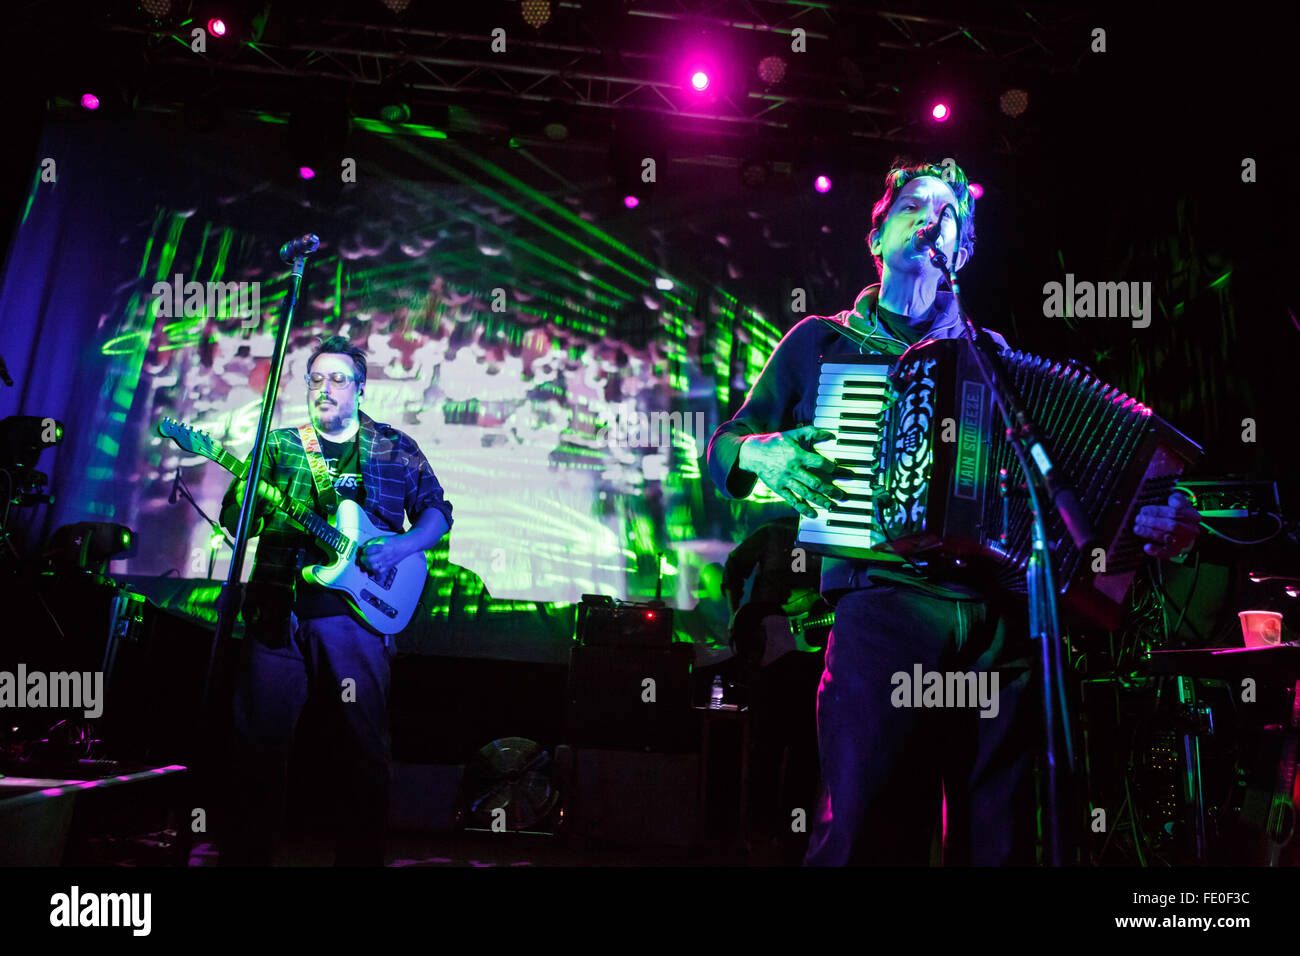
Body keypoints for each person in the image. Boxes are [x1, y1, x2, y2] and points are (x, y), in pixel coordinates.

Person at [706, 158, 1201, 865]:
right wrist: (762, 455)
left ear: (962, 252)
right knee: (866, 835)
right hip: (885, 613)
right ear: (877, 238)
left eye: (948, 214)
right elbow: (724, 446)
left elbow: (1071, 489)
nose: (931, 217)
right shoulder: (823, 342)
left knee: (998, 843)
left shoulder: (992, 359)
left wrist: (1149, 517)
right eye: (913, 205)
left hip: (998, 628)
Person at [218, 335, 453, 866]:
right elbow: (240, 523)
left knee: (360, 747)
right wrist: (246, 501)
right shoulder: (277, 446)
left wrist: (399, 548)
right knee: (257, 746)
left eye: (338, 379)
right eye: (316, 380)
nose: (325, 389)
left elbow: (438, 512)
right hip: (277, 616)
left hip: (356, 622)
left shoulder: (394, 447)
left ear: (361, 389)